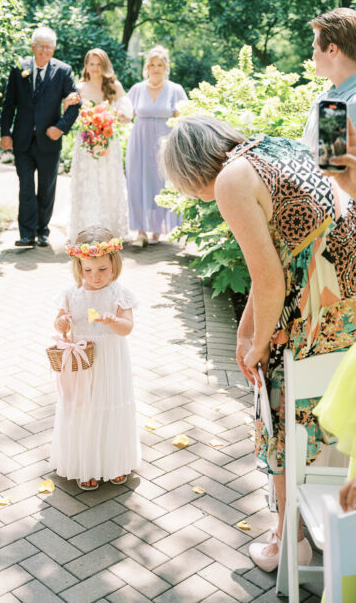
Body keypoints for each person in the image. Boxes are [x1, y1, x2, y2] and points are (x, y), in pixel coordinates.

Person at [160, 114, 356, 572]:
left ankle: (291, 537)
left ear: (190, 169)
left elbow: (270, 282)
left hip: (320, 304)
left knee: (276, 402)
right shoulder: (274, 146)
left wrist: (257, 348)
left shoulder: (230, 181)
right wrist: (248, 332)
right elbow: (276, 264)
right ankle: (315, 520)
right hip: (345, 293)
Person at [52, 227, 140, 490]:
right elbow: (60, 326)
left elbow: (127, 328)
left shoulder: (119, 294)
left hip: (111, 361)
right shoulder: (71, 294)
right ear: (79, 267)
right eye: (88, 270)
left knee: (111, 404)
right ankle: (86, 464)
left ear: (114, 263)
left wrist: (115, 321)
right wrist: (62, 322)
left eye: (102, 269)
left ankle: (114, 463)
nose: (96, 277)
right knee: (85, 409)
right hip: (84, 363)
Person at [0, 26, 80, 247]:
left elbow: (75, 103)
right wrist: (5, 133)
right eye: (41, 46)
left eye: (49, 47)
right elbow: (9, 104)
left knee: (46, 187)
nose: (45, 51)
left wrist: (60, 127)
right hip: (22, 140)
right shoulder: (19, 69)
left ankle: (42, 230)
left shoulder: (63, 71)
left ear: (54, 49)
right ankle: (26, 234)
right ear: (32, 46)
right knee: (25, 186)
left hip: (49, 140)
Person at [65, 48, 133, 241]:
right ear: (86, 66)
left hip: (108, 143)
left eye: (98, 64)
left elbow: (127, 115)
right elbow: (72, 116)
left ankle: (109, 229)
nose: (95, 68)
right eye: (91, 64)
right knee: (87, 182)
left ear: (105, 65)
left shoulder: (114, 86)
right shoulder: (79, 88)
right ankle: (85, 229)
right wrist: (67, 104)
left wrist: (113, 117)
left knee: (108, 182)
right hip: (86, 143)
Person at [126, 45, 187, 244]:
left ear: (165, 67)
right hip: (139, 143)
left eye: (160, 64)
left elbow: (183, 117)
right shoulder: (137, 89)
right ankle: (141, 231)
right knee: (138, 183)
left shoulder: (175, 90)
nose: (155, 68)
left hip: (165, 144)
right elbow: (125, 115)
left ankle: (158, 229)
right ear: (147, 67)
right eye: (152, 64)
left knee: (161, 184)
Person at [301, 8, 356, 154]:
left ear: (332, 49)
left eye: (315, 48)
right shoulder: (324, 99)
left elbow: (331, 170)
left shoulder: (351, 104)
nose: (313, 56)